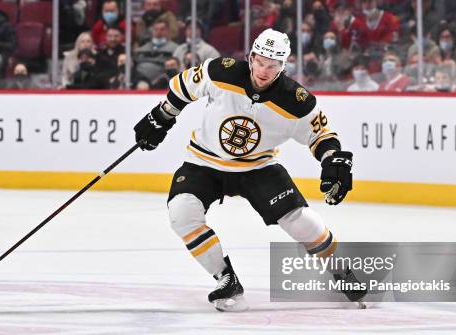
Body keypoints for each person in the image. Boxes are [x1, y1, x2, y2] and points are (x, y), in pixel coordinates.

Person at [132, 28, 365, 312]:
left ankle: (340, 270)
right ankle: (225, 278)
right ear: (250, 57)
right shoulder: (221, 71)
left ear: (283, 66)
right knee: (181, 213)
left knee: (299, 220)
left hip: (259, 167)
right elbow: (183, 86)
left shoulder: (297, 100)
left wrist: (332, 160)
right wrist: (162, 115)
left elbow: (322, 136)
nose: (264, 70)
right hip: (204, 162)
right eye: (260, 61)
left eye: (273, 65)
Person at [134, 19, 177, 84]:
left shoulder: (175, 48)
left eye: (162, 29)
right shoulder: (142, 49)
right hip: (141, 82)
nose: (159, 32)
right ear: (152, 31)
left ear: (167, 31)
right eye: (156, 29)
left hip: (164, 82)